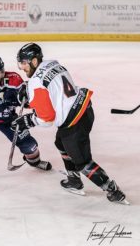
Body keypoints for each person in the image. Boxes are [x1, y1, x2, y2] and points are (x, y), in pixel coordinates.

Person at [12, 43, 128, 204]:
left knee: (83, 162)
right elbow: (54, 91)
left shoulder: (35, 84)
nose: (22, 67)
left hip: (74, 123)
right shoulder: (53, 63)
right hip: (85, 108)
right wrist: (33, 101)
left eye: (24, 63)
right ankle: (74, 181)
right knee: (60, 142)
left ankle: (112, 190)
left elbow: (47, 119)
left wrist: (27, 120)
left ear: (34, 61)